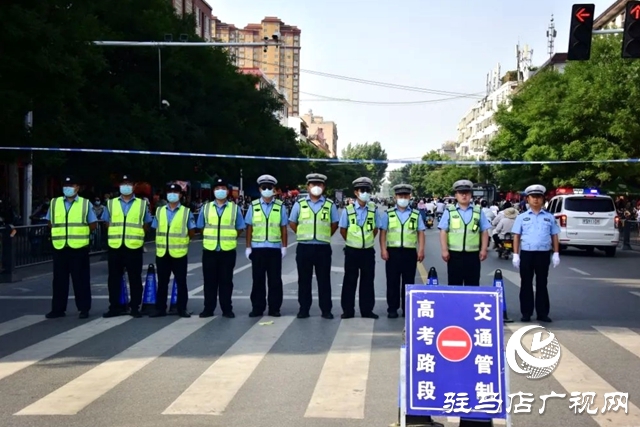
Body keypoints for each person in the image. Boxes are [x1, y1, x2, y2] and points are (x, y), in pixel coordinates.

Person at [45, 176, 98, 319]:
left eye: (71, 185)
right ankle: (58, 309)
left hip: (79, 247)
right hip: (60, 246)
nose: (68, 188)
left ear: (77, 188)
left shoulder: (85, 204)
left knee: (81, 280)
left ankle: (84, 309)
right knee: (59, 281)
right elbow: (50, 222)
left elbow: (93, 224)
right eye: (66, 185)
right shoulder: (55, 203)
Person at [288, 173, 339, 319]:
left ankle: (326, 310)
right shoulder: (300, 204)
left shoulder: (329, 205)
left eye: (319, 184)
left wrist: (325, 235)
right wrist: (302, 234)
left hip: (323, 247)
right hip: (304, 247)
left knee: (324, 280)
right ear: (308, 186)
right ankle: (304, 309)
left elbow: (334, 224)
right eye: (313, 184)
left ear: (323, 187)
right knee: (304, 280)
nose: (316, 187)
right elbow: (293, 222)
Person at [102, 175, 153, 318]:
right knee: (113, 278)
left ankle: (135, 307)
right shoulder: (111, 203)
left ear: (134, 185)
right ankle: (114, 307)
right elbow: (106, 223)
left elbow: (146, 224)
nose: (126, 186)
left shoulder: (142, 204)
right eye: (123, 183)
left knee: (135, 278)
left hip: (133, 246)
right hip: (115, 246)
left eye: (129, 183)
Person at [196, 178, 245, 318]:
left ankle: (227, 309)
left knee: (226, 281)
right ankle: (208, 308)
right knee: (209, 281)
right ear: (213, 191)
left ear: (227, 191)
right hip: (210, 250)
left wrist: (230, 237)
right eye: (217, 188)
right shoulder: (205, 208)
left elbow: (240, 228)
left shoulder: (235, 209)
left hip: (227, 250)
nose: (220, 191)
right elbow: (201, 226)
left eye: (223, 188)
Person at [511, 184, 560, 323]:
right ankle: (526, 312)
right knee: (526, 283)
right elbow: (516, 236)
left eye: (539, 197)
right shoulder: (522, 217)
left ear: (543, 199)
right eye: (533, 197)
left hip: (543, 254)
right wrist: (516, 254)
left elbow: (554, 235)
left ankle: (542, 313)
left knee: (542, 283)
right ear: (527, 199)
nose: (536, 200)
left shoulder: (549, 217)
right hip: (527, 253)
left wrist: (556, 253)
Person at [379, 184, 425, 318]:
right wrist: (383, 249)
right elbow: (383, 233)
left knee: (408, 282)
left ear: (410, 197)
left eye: (405, 196)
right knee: (392, 281)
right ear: (395, 197)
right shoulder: (388, 214)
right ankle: (392, 308)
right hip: (392, 253)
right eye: (400, 196)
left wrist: (421, 250)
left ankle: (407, 309)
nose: (403, 198)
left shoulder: (416, 214)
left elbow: (421, 232)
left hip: (410, 253)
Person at [151, 183, 196, 318]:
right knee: (162, 282)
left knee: (181, 282)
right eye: (170, 192)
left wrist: (183, 241)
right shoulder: (160, 211)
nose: (172, 195)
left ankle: (182, 308)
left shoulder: (186, 212)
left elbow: (192, 231)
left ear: (180, 195)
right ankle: (160, 308)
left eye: (176, 192)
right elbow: (155, 228)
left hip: (179, 252)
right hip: (162, 252)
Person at [245, 174, 287, 317]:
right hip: (257, 248)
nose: (267, 190)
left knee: (275, 280)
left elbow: (283, 228)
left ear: (274, 189)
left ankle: (275, 308)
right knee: (258, 279)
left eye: (270, 187)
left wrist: (284, 246)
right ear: (260, 189)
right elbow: (249, 227)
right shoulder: (254, 206)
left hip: (274, 248)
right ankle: (257, 307)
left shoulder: (280, 206)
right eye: (264, 187)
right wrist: (248, 246)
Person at [338, 177, 379, 319]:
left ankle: (367, 310)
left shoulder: (373, 209)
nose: (365, 193)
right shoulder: (348, 210)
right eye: (362, 190)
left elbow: (375, 229)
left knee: (367, 281)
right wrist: (352, 241)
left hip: (368, 251)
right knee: (350, 281)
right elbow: (343, 230)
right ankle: (348, 310)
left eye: (367, 190)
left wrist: (365, 241)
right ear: (356, 192)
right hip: (352, 251)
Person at [438, 180, 491, 286]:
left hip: (473, 255)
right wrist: (444, 250)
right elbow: (443, 231)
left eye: (466, 192)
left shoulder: (478, 211)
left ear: (470, 195)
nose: (464, 195)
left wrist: (484, 249)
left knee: (473, 285)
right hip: (454, 255)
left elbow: (484, 231)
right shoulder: (449, 211)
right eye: (461, 193)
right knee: (454, 284)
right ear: (456, 195)